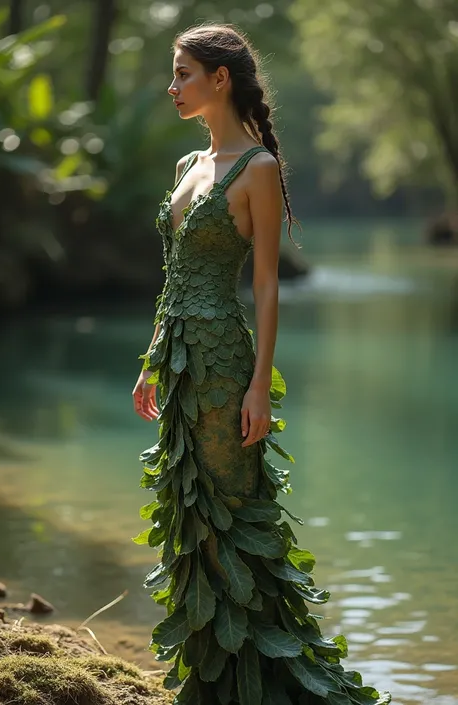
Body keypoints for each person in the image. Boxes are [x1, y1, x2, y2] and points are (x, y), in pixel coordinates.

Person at [131, 22, 392, 705]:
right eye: (174, 72)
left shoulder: (260, 170)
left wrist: (258, 388)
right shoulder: (189, 166)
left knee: (230, 514)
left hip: (221, 363)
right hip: (181, 361)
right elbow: (176, 271)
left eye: (185, 73)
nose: (174, 85)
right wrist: (152, 358)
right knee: (188, 515)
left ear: (222, 79)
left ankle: (263, 682)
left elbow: (268, 284)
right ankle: (207, 672)